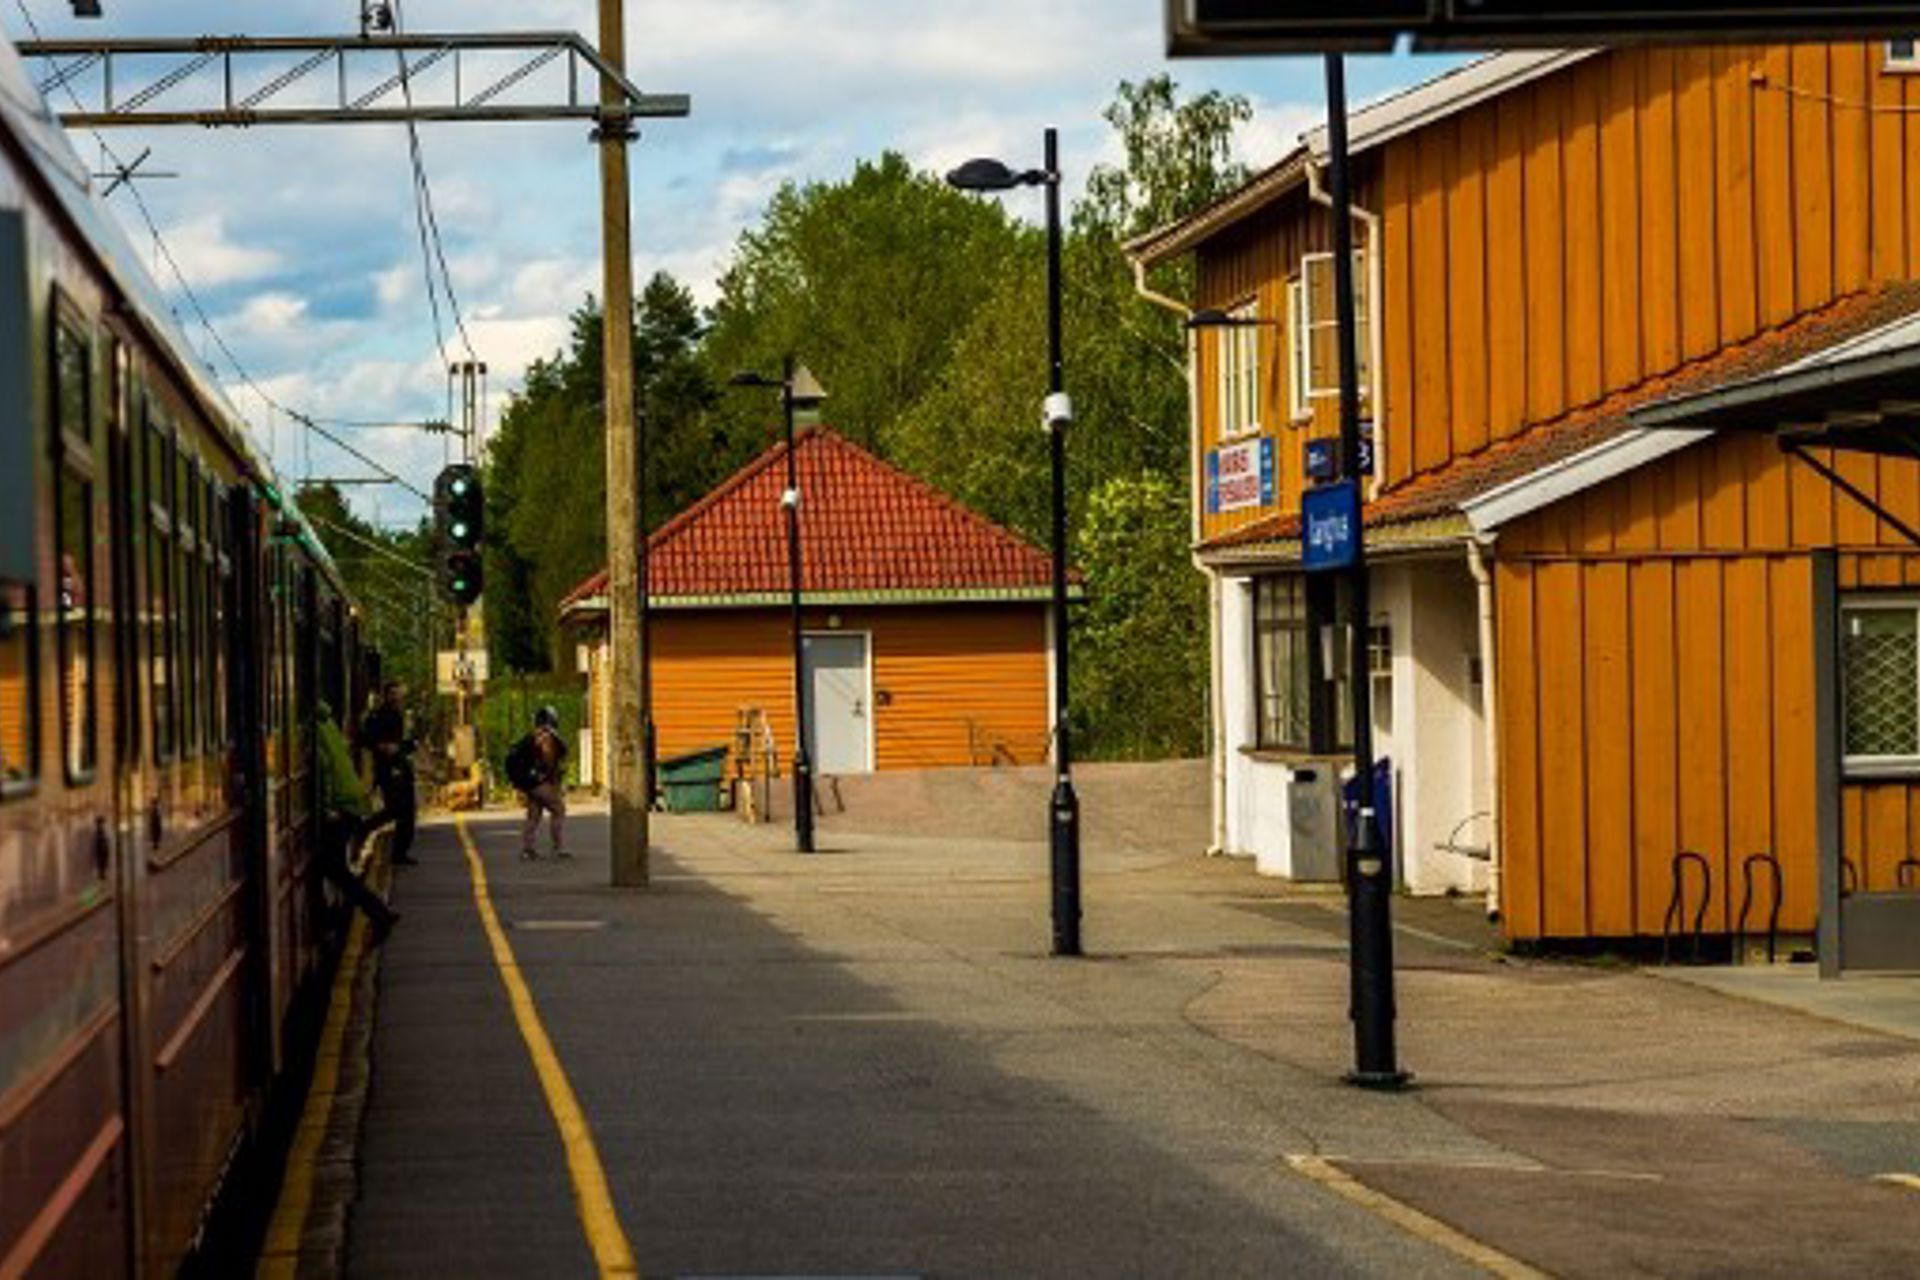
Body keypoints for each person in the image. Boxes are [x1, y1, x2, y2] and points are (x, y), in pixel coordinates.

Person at [316, 700, 398, 941]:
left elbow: (325, 768)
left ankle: (378, 912)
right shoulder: (327, 723)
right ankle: (343, 915)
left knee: (334, 868)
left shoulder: (315, 729)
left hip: (341, 805)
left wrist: (328, 806)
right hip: (351, 801)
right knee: (334, 867)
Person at [359, 681, 419, 866]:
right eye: (392, 694)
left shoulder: (401, 715)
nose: (396, 697)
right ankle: (365, 828)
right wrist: (381, 746)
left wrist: (406, 746)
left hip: (402, 766)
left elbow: (401, 741)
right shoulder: (378, 716)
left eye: (398, 694)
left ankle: (399, 853)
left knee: (407, 812)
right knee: (396, 809)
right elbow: (366, 738)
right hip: (388, 768)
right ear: (385, 696)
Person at [508, 705, 570, 861]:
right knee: (558, 810)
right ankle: (557, 848)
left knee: (534, 816)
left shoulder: (531, 736)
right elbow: (548, 760)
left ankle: (528, 850)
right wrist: (552, 781)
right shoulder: (546, 737)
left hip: (527, 782)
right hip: (537, 782)